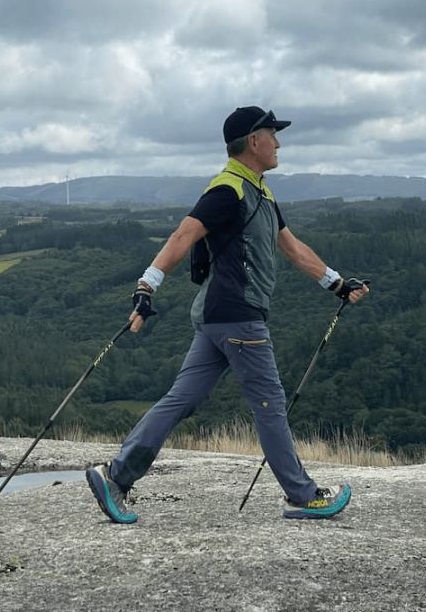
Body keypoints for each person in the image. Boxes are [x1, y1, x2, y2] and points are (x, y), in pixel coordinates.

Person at [85, 106, 369, 523]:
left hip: (217, 318)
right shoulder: (228, 190)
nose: (279, 144)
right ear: (253, 141)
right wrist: (146, 285)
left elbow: (290, 246)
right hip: (239, 317)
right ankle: (303, 495)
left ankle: (116, 477)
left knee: (182, 398)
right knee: (270, 405)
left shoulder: (260, 191)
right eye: (273, 135)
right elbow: (184, 234)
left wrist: (336, 283)